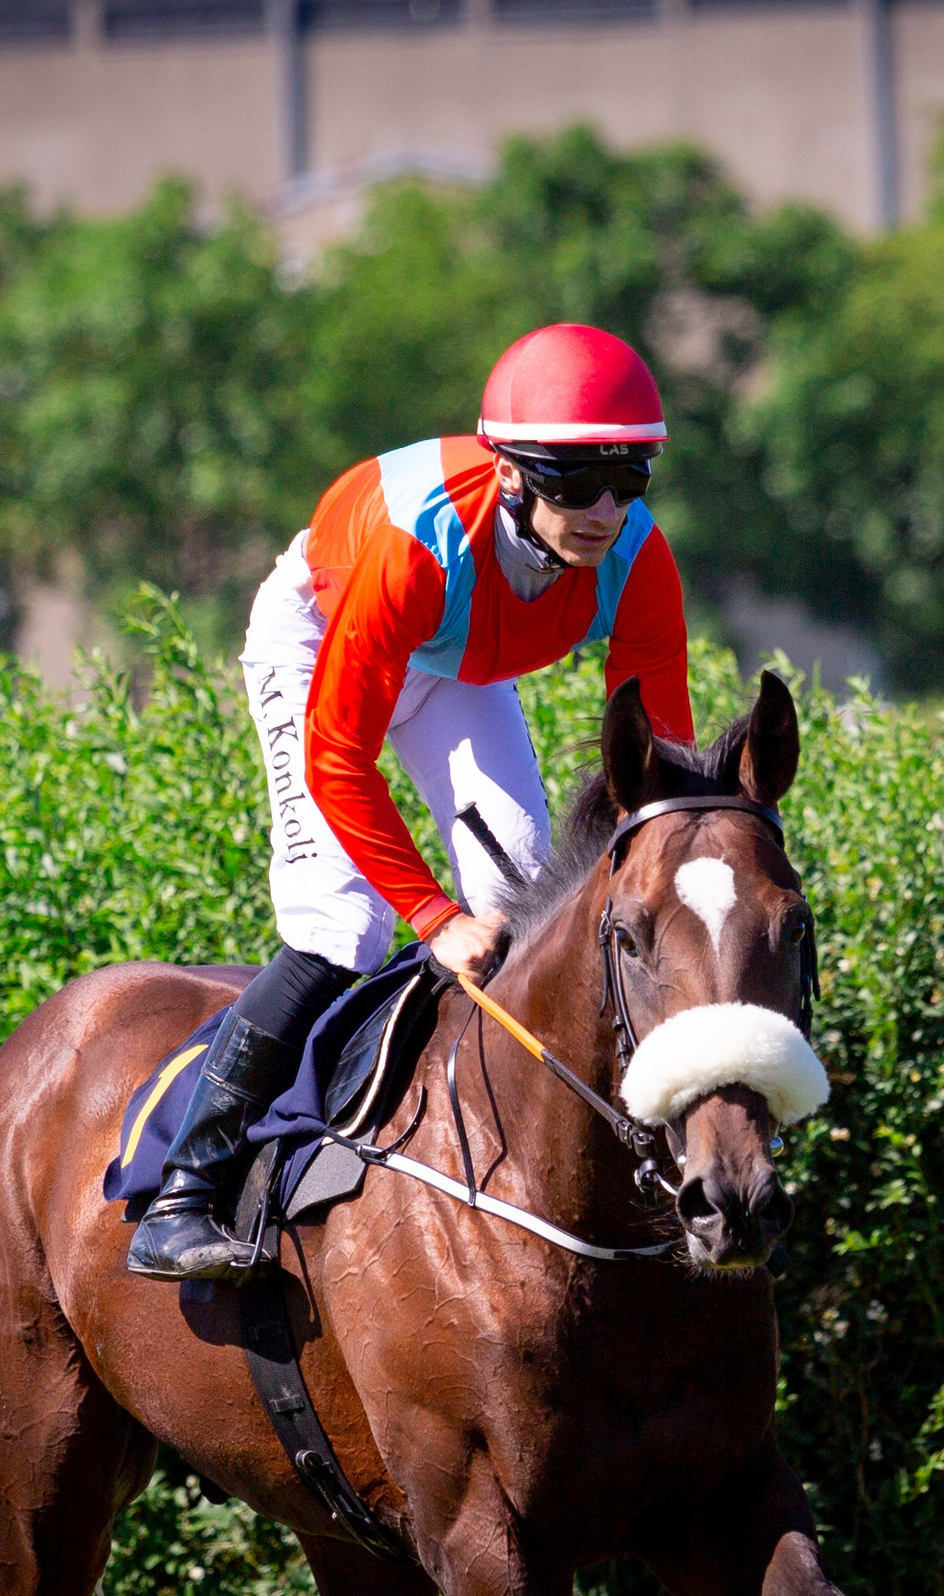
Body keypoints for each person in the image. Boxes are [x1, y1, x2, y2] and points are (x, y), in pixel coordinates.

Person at [127, 323, 695, 1282]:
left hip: (452, 660)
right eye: (572, 480)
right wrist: (431, 918)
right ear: (511, 472)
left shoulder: (640, 560)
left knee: (524, 903)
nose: (603, 511)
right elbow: (340, 759)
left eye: (627, 479)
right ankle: (184, 1188)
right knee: (343, 918)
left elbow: (660, 771)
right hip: (325, 636)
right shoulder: (414, 550)